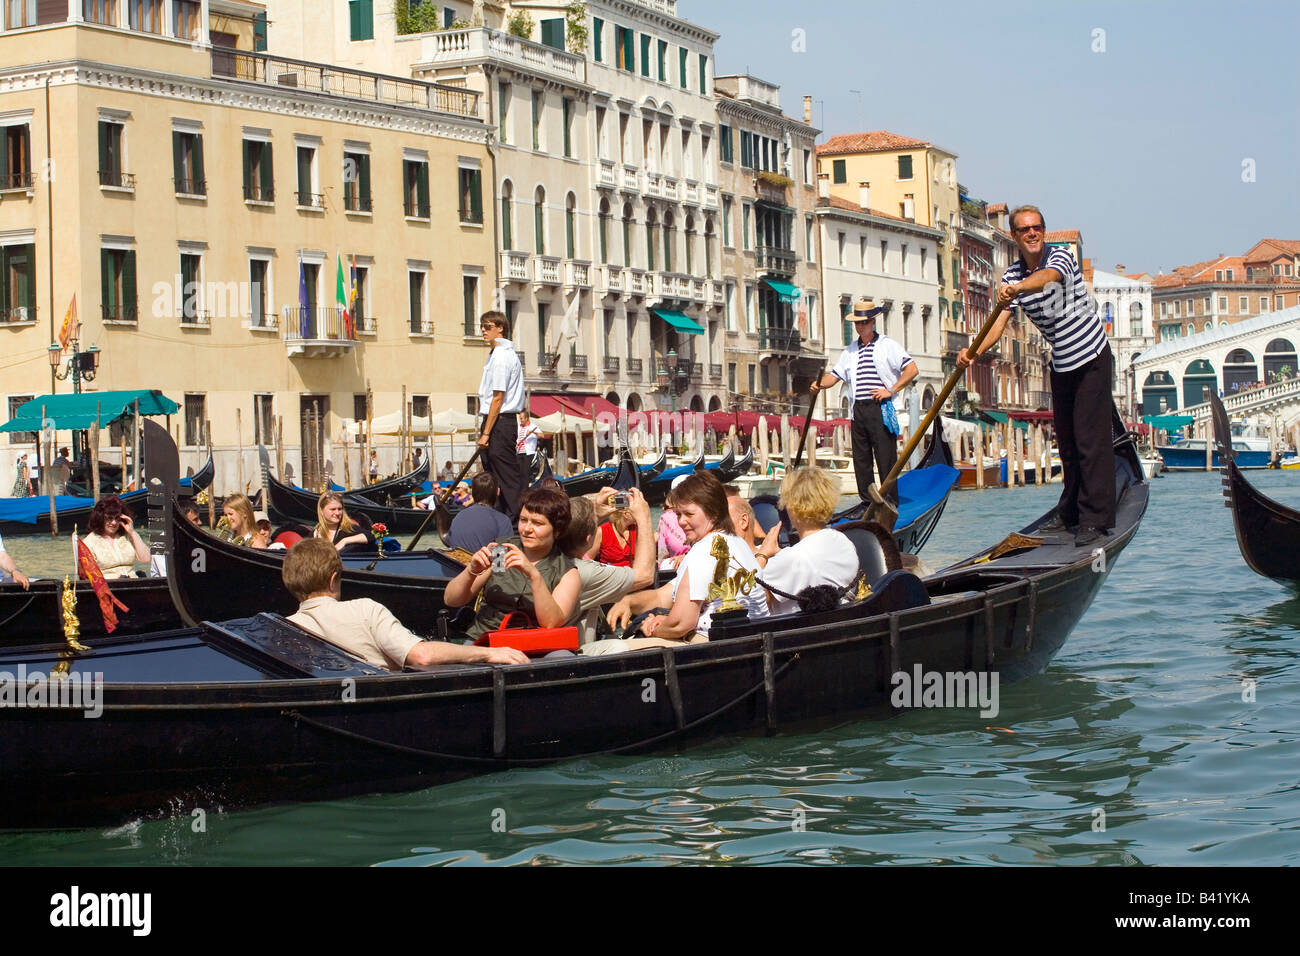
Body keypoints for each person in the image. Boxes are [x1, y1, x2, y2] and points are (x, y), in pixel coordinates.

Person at [958, 205, 1114, 547]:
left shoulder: (1060, 258)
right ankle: (1070, 511)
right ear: (1014, 236)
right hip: (1061, 364)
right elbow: (997, 325)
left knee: (1090, 442)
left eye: (1037, 227)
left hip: (1091, 356)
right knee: (1069, 444)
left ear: (1043, 231)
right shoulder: (1010, 277)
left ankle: (1096, 519)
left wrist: (1019, 289)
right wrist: (972, 352)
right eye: (1025, 229)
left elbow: (1047, 279)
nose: (1032, 233)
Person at [283, 538, 527, 670]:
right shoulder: (365, 610)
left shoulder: (285, 629)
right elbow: (422, 655)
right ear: (334, 578)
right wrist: (489, 653)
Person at [599, 472, 768, 653]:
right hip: (747, 645)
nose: (681, 522)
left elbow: (681, 624)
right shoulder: (737, 543)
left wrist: (651, 628)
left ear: (714, 512)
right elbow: (664, 595)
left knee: (603, 650)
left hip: (711, 648)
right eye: (678, 514)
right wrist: (629, 601)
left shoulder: (704, 551)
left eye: (689, 514)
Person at [811, 297, 919, 503]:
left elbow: (912, 369)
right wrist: (818, 385)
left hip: (880, 407)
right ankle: (867, 503)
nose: (861, 327)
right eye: (857, 323)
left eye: (864, 322)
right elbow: (834, 377)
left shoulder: (888, 345)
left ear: (873, 322)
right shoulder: (850, 350)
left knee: (885, 458)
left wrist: (891, 390)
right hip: (858, 410)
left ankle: (890, 501)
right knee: (861, 461)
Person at [444, 487, 581, 642]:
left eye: (537, 523)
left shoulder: (566, 572)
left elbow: (551, 623)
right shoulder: (502, 551)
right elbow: (452, 600)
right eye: (523, 520)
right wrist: (471, 571)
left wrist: (534, 575)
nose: (527, 529)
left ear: (557, 530)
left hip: (533, 644)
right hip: (486, 638)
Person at [758, 467, 859, 615]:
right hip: (839, 624)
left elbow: (751, 596)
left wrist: (762, 554)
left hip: (795, 634)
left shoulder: (793, 558)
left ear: (792, 506)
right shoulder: (844, 543)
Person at [561, 489, 656, 645]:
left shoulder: (551, 555)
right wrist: (644, 516)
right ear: (588, 539)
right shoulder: (583, 572)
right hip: (576, 652)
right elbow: (645, 575)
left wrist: (592, 511)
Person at [476, 310, 527, 519]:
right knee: (493, 475)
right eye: (482, 326)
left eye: (487, 327)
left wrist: (486, 433)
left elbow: (498, 397)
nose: (483, 330)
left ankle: (516, 522)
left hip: (500, 423)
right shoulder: (497, 355)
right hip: (497, 421)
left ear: (500, 328)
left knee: (505, 475)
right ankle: (500, 518)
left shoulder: (501, 357)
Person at [83, 495, 151, 579]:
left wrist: (132, 532)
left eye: (117, 518)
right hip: (108, 587)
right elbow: (88, 576)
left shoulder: (128, 536)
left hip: (133, 583)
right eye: (109, 518)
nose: (114, 522)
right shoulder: (89, 542)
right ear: (100, 518)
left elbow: (146, 559)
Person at [446, 472, 514, 554]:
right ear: (498, 491)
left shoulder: (458, 516)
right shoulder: (502, 520)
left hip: (455, 565)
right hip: (481, 566)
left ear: (472, 493)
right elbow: (500, 562)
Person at [586, 500, 637, 567]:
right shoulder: (602, 531)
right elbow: (587, 561)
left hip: (632, 574)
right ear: (626, 514)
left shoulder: (638, 530)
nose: (641, 514)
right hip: (609, 574)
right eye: (637, 511)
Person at [656, 476, 690, 565]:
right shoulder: (666, 519)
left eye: (666, 507)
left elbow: (662, 555)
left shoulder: (666, 518)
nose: (664, 509)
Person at [516, 409, 542, 480]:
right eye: (520, 418)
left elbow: (541, 435)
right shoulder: (519, 427)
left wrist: (533, 432)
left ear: (526, 418)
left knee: (525, 472)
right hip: (518, 452)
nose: (520, 420)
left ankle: (525, 489)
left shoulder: (532, 426)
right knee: (519, 472)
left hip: (528, 453)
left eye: (521, 418)